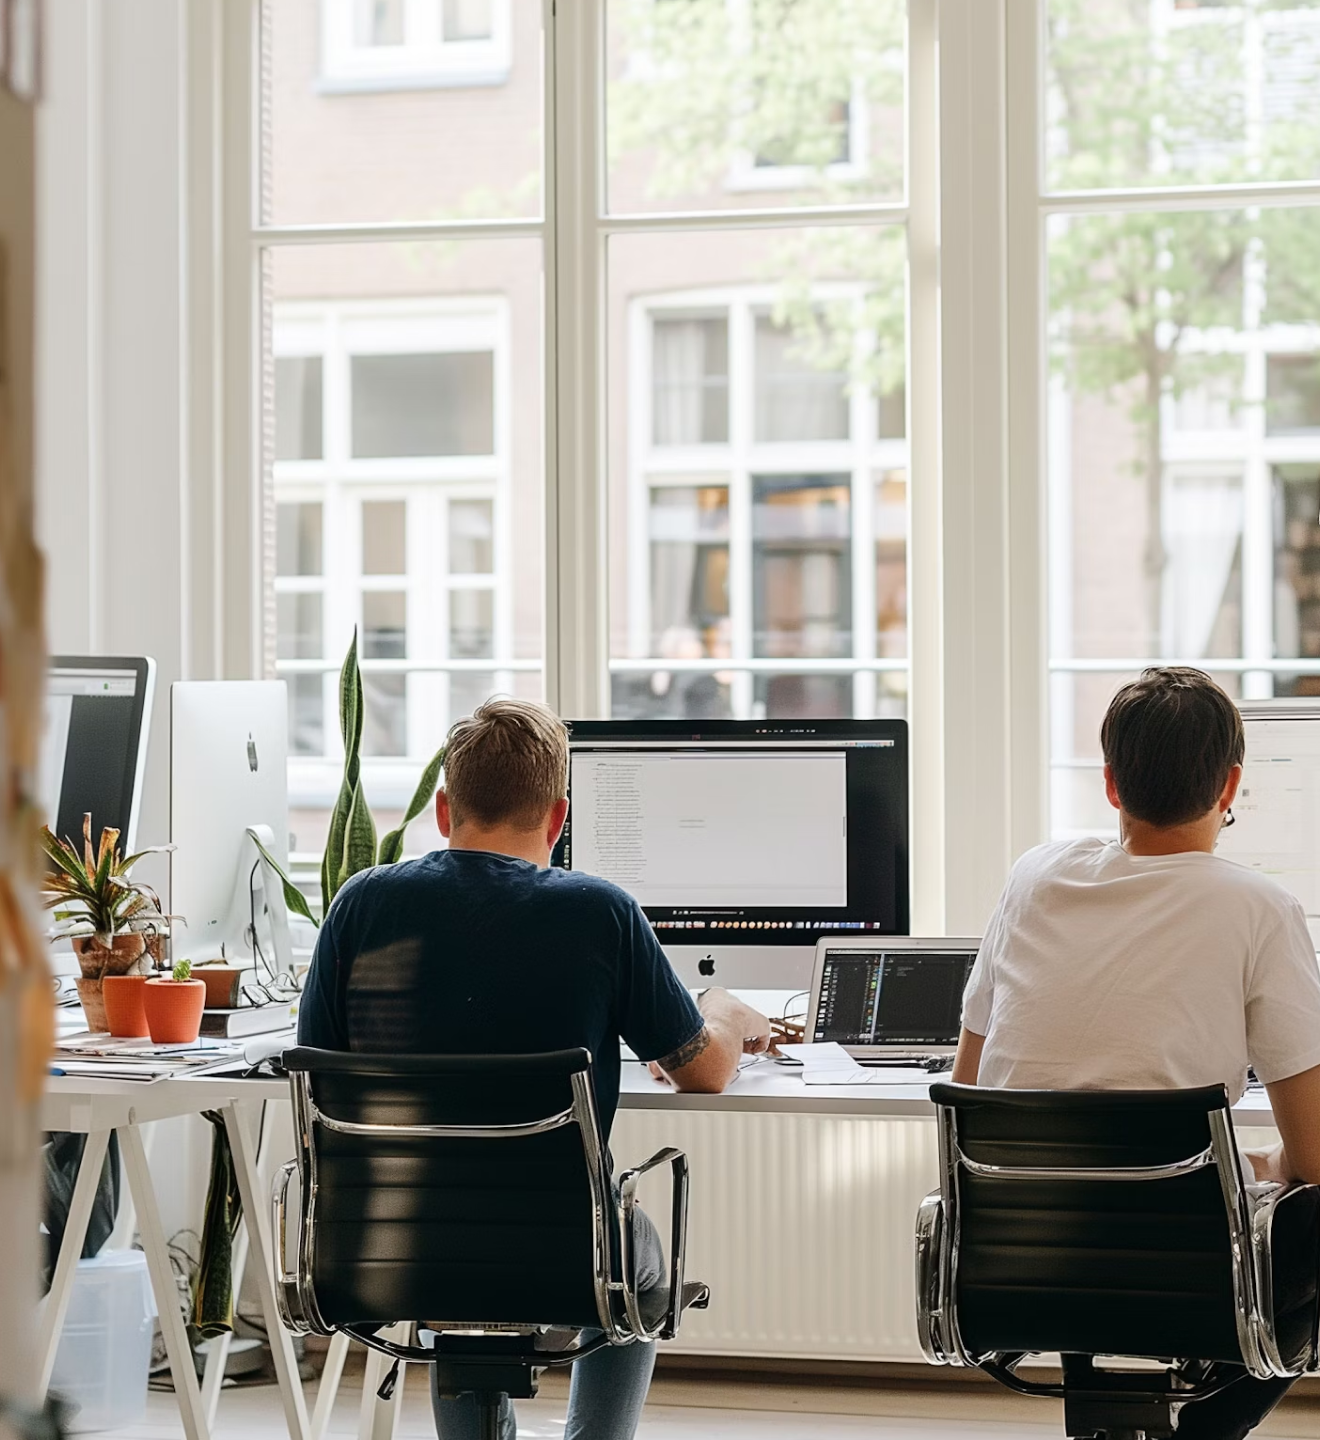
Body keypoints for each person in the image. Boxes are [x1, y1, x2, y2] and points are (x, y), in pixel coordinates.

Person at [297, 697, 771, 1440]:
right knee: (634, 1257)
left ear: (445, 808)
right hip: (568, 1249)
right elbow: (703, 1071)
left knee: (450, 1249)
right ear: (557, 818)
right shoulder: (600, 912)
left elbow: (319, 1073)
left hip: (389, 1241)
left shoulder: (360, 903)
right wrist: (731, 1017)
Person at [951, 667, 1320, 1440]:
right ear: (1232, 786)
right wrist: (1262, 1167)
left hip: (1025, 1265)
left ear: (1112, 784)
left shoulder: (1031, 876)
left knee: (1103, 1224)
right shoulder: (1261, 908)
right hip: (1192, 1275)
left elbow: (970, 1083)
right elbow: (1317, 1158)